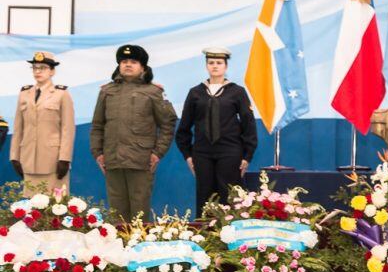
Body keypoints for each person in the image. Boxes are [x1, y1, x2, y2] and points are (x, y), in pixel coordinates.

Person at [90, 45, 177, 221]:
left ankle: (139, 247)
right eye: (124, 61)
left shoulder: (153, 92)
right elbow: (98, 125)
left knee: (139, 214)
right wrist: (98, 153)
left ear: (143, 67)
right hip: (113, 160)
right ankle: (118, 247)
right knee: (116, 215)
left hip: (141, 160)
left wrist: (157, 153)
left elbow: (168, 124)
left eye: (133, 62)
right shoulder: (107, 91)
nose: (128, 65)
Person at [175, 47, 258, 217]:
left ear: (225, 66)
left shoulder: (237, 92)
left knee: (230, 196)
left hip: (230, 152)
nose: (215, 66)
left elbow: (249, 126)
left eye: (219, 63)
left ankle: (230, 235)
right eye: (211, 62)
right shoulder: (195, 93)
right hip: (203, 153)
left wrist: (247, 155)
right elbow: (183, 128)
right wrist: (188, 155)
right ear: (206, 66)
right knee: (205, 197)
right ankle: (206, 237)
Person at [9, 51, 75, 195]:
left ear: (52, 71)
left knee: (55, 207)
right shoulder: (24, 94)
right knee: (31, 209)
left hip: (53, 161)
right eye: (35, 68)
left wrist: (64, 158)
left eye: (43, 68)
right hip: (28, 159)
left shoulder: (62, 94)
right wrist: (14, 156)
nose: (38, 71)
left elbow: (67, 129)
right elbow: (18, 127)